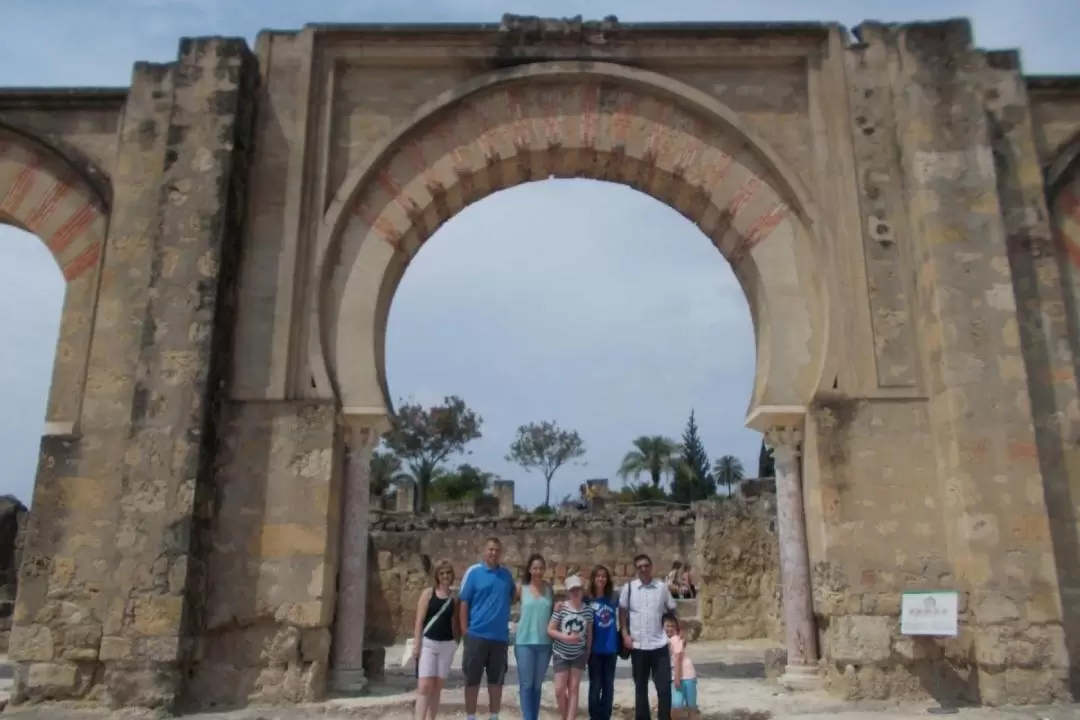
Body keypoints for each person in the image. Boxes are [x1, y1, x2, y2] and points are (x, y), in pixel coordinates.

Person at [460, 537, 516, 720]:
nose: (493, 553)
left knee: (496, 682)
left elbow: (513, 597)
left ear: (501, 553)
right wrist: (464, 631)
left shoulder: (507, 575)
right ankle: (470, 717)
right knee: (472, 680)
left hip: (499, 638)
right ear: (484, 551)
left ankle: (494, 716)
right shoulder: (474, 573)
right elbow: (464, 602)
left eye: (497, 550)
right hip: (476, 635)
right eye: (490, 549)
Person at [619, 553, 677, 720]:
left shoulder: (661, 588)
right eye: (640, 567)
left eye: (646, 565)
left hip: (659, 645)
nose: (643, 569)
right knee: (640, 689)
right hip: (638, 647)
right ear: (636, 569)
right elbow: (622, 612)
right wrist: (625, 635)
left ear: (651, 567)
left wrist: (680, 633)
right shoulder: (629, 588)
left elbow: (672, 609)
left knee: (664, 689)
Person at [412, 559, 461, 720]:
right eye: (442, 573)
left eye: (448, 573)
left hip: (447, 644)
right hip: (429, 643)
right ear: (437, 576)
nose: (445, 576)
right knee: (424, 686)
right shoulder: (428, 594)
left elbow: (455, 621)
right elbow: (419, 620)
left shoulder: (454, 597)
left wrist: (456, 642)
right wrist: (417, 644)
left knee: (437, 687)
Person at [548, 575, 594, 720]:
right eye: (572, 590)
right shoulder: (561, 608)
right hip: (561, 653)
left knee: (574, 689)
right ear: (568, 591)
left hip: (578, 654)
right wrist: (566, 637)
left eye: (578, 589)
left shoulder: (588, 611)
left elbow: (589, 634)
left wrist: (588, 651)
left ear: (582, 590)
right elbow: (550, 629)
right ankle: (565, 715)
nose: (575, 592)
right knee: (559, 690)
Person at [515, 554, 554, 720]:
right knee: (526, 684)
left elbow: (553, 613)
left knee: (537, 685)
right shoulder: (521, 588)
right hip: (524, 642)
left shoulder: (549, 589)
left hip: (545, 643)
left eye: (541, 568)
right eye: (535, 568)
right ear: (530, 569)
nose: (538, 571)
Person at [586, 565, 619, 720]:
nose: (601, 579)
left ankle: (605, 717)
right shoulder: (587, 600)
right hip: (594, 650)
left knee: (608, 687)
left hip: (611, 649)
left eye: (604, 576)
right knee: (595, 687)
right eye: (598, 576)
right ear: (593, 579)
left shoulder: (613, 598)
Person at [663, 613, 697, 716]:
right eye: (667, 626)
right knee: (682, 705)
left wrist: (677, 678)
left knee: (685, 706)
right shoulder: (669, 639)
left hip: (685, 676)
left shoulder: (675, 639)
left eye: (672, 626)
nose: (670, 628)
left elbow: (678, 659)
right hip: (684, 675)